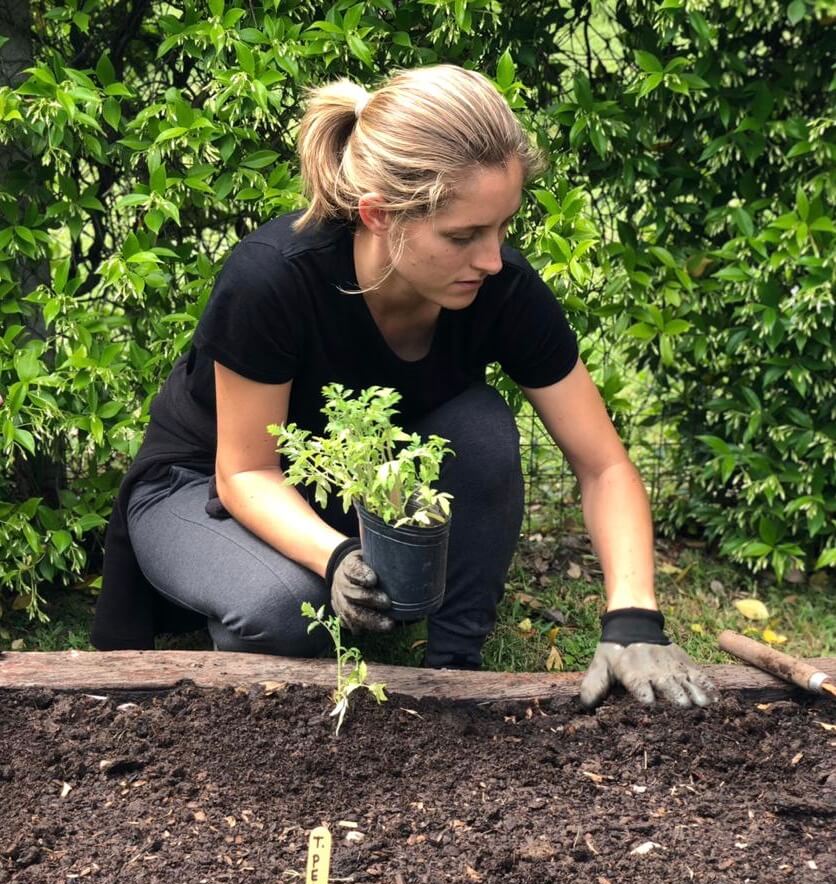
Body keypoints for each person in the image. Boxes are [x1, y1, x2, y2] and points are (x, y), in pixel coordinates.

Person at [91, 64, 718, 710]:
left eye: (504, 227)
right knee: (284, 609)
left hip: (340, 493)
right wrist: (337, 559)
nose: (493, 258)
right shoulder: (273, 281)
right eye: (464, 236)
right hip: (201, 489)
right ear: (378, 215)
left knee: (481, 427)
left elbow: (604, 465)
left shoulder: (498, 287)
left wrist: (633, 618)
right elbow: (245, 473)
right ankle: (234, 624)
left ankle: (456, 674)